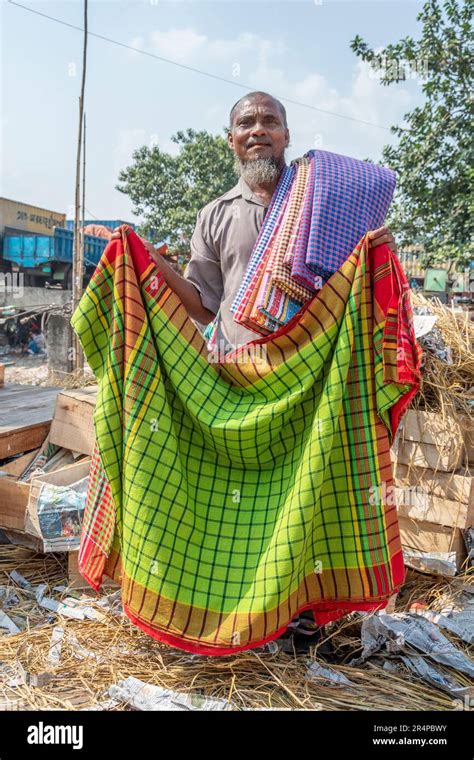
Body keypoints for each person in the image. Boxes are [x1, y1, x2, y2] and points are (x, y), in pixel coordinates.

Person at [113, 91, 399, 654]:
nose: (259, 129)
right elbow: (200, 303)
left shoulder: (324, 196)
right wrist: (148, 259)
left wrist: (375, 254)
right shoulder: (215, 215)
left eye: (271, 120)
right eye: (246, 122)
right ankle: (246, 615)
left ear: (287, 134)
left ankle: (303, 618)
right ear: (232, 139)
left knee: (310, 495)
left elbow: (360, 261)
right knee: (249, 504)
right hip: (242, 379)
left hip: (317, 381)